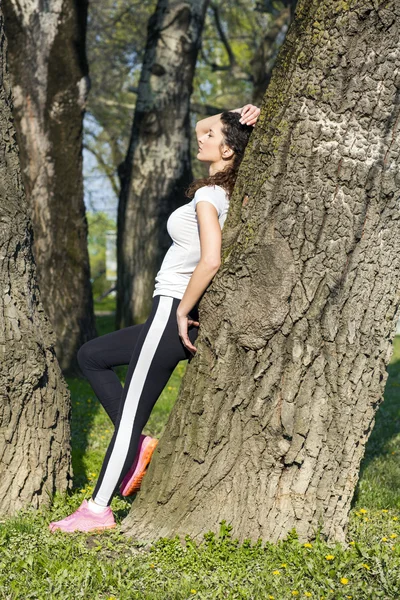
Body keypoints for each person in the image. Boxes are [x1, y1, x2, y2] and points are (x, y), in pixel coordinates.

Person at [49, 103, 261, 533]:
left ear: (228, 149)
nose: (200, 137)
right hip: (165, 314)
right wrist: (242, 111)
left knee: (128, 415)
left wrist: (182, 310)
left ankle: (97, 510)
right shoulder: (224, 192)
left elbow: (211, 259)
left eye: (211, 136)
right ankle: (142, 445)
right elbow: (203, 124)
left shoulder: (207, 196)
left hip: (170, 311)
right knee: (92, 356)